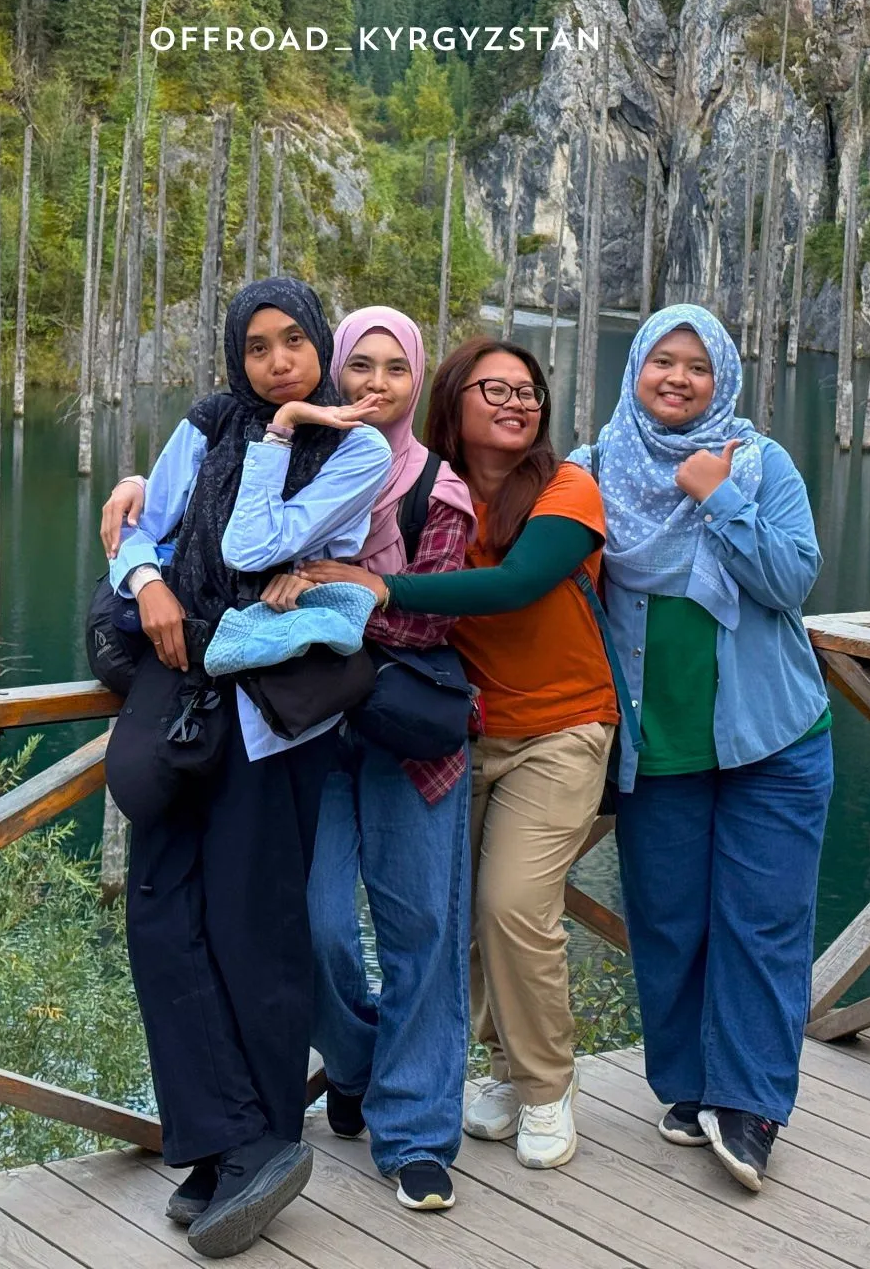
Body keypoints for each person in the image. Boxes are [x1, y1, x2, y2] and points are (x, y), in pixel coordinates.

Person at [105, 307, 478, 1213]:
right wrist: (148, 579)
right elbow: (141, 529)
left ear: (320, 349)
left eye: (295, 344)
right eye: (257, 348)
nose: (278, 363)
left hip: (277, 720)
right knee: (161, 920)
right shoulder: (205, 420)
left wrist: (279, 433)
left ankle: (262, 1141)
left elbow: (248, 546)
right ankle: (218, 1141)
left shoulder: (354, 455)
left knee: (258, 932)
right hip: (187, 692)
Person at [303, 337, 619, 1172]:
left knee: (511, 905)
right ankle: (505, 1071)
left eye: (531, 391)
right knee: (460, 923)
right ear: (455, 398)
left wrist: (385, 588)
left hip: (563, 729)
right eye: (497, 389)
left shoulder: (567, 487)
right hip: (465, 732)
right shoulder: (421, 483)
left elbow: (515, 586)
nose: (519, 402)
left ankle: (548, 1085)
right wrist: (141, 491)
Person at [577, 304, 832, 1194]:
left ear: (722, 376)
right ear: (636, 369)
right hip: (659, 748)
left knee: (764, 926)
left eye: (697, 366)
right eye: (662, 362)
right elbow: (523, 544)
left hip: (775, 738)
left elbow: (792, 580)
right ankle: (687, 1088)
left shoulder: (760, 465)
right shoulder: (594, 469)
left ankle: (753, 1106)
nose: (678, 379)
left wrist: (715, 496)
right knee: (670, 926)